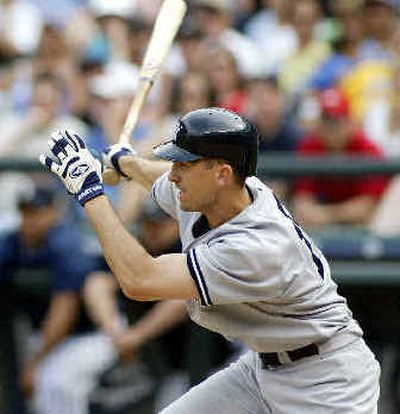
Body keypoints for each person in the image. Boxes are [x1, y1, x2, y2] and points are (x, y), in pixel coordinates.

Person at [39, 107, 380, 413]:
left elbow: (140, 280)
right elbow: (160, 178)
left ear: (221, 173)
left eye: (184, 165)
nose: (174, 175)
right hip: (263, 369)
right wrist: (126, 163)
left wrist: (89, 191)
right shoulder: (225, 192)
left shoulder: (256, 247)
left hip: (328, 382)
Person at [0, 184, 114, 414]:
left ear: (55, 212)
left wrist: (36, 362)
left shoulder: (65, 241)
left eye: (38, 211)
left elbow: (64, 311)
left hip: (90, 336)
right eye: (26, 212)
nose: (31, 219)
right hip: (46, 338)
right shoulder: (14, 241)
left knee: (56, 384)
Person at [293, 87, 389, 230]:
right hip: (320, 223)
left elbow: (367, 208)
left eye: (337, 121)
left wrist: (325, 215)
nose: (331, 128)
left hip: (361, 225)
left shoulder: (367, 148)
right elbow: (302, 203)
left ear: (349, 122)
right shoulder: (310, 146)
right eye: (326, 120)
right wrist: (319, 215)